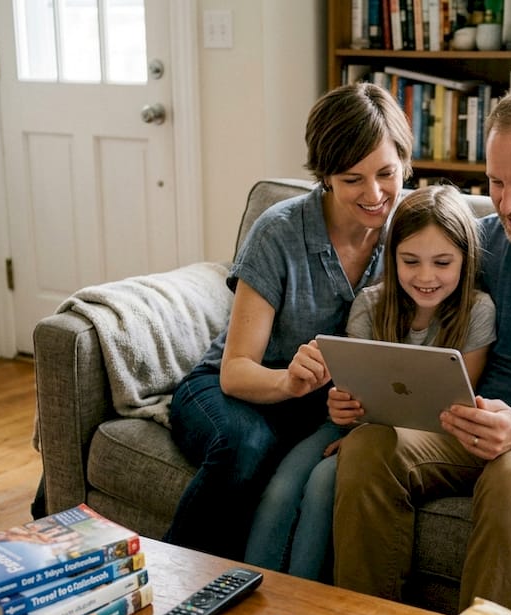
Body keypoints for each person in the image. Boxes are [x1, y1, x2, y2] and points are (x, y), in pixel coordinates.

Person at [332, 85, 511, 615]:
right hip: (470, 428)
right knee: (371, 447)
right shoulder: (480, 240)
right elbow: (407, 300)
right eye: (495, 183)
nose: (506, 205)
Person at [162, 82, 414, 558]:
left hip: (321, 409)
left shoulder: (412, 227)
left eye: (386, 173)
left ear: (403, 162)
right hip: (230, 388)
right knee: (248, 448)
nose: (375, 193)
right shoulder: (279, 233)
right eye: (352, 179)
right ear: (325, 177)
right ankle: (175, 581)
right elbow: (235, 371)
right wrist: (290, 384)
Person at [244, 184, 497, 580]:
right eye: (410, 261)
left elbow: (453, 404)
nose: (426, 276)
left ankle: (302, 601)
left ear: (466, 260)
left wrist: (366, 437)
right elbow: (347, 389)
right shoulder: (371, 304)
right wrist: (340, 406)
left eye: (443, 263)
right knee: (284, 483)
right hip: (355, 424)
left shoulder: (477, 311)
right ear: (392, 257)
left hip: (415, 436)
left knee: (325, 483)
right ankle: (247, 589)